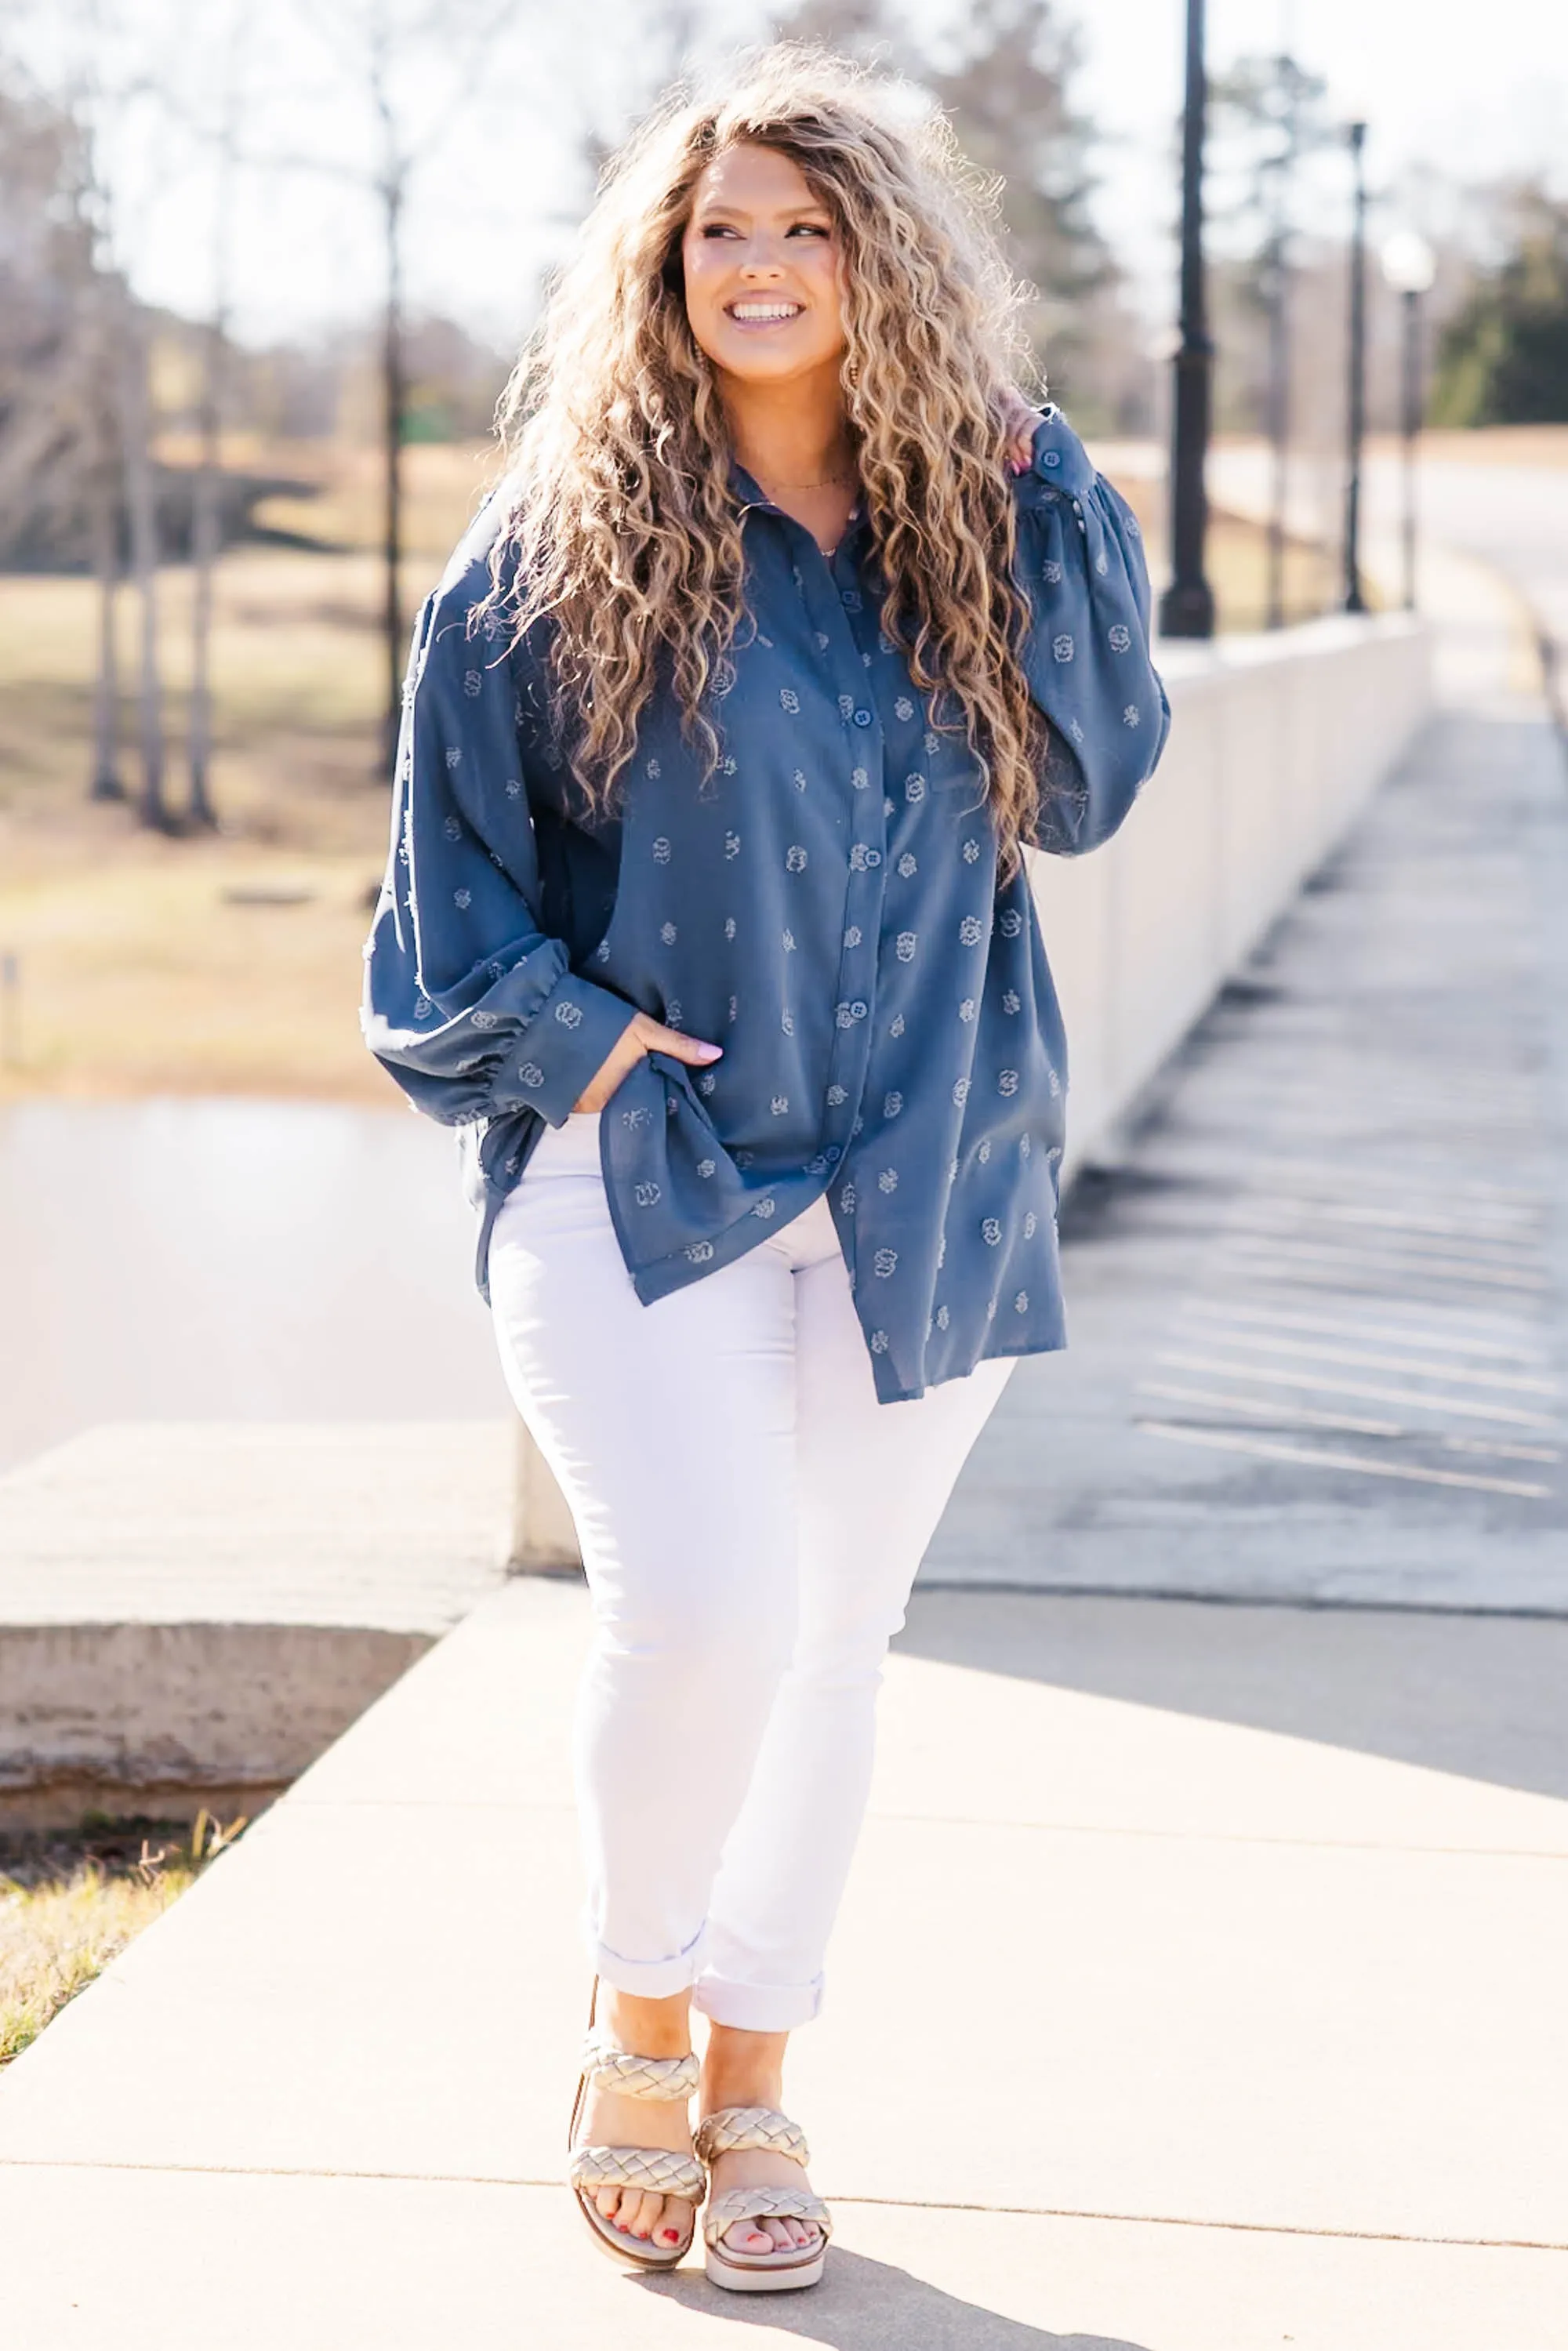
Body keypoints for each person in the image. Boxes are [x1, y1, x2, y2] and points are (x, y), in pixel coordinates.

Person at [363, 45, 1167, 2295]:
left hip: (931, 1166)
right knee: (700, 1610)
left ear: (882, 258)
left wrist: (1057, 488)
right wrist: (581, 1041)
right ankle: (634, 2013)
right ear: (665, 261)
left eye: (805, 226)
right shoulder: (554, 544)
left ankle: (755, 2076)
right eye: (719, 228)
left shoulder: (977, 523)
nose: (759, 264)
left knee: (835, 1641)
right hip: (650, 1171)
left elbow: (1096, 784)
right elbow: (436, 905)